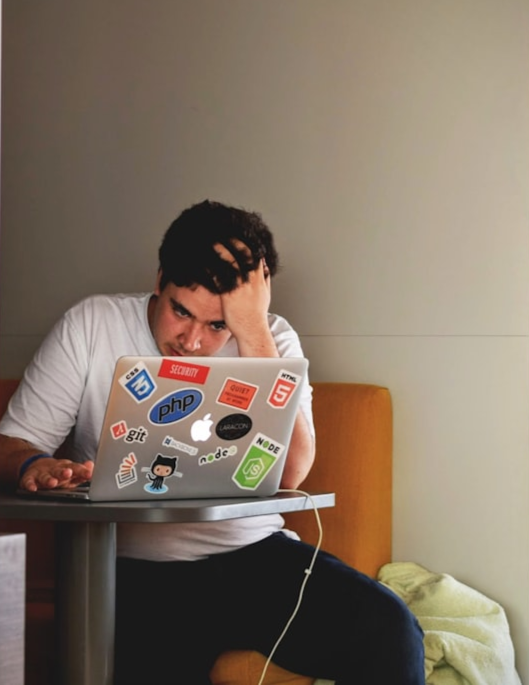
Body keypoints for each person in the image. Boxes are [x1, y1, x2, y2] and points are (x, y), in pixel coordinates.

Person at [0, 200, 425, 684]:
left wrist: (251, 331)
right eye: (181, 312)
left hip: (254, 557)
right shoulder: (91, 324)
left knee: (390, 628)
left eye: (217, 324)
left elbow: (292, 473)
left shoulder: (271, 339)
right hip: (133, 570)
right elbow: (12, 443)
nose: (193, 341)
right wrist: (34, 464)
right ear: (159, 280)